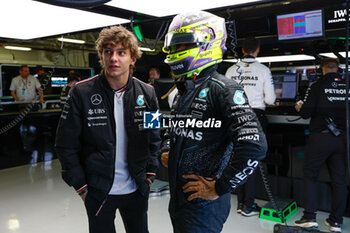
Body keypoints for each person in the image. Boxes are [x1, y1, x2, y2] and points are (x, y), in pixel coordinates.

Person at [160, 11, 267, 233]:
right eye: (174, 46)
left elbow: (254, 145)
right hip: (180, 198)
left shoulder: (224, 89)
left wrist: (220, 186)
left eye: (182, 45)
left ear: (207, 42)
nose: (175, 52)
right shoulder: (183, 89)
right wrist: (167, 149)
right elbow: (174, 130)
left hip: (204, 204)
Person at [55, 25, 161, 233]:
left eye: (121, 52)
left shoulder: (148, 93)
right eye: (108, 52)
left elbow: (154, 136)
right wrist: (81, 187)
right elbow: (65, 144)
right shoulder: (81, 93)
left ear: (132, 58)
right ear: (101, 57)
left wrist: (149, 174)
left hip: (136, 187)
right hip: (97, 190)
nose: (114, 58)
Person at [294, 58, 347, 232]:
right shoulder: (346, 85)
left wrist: (300, 107)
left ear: (322, 69)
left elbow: (306, 113)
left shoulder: (317, 86)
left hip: (320, 138)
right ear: (337, 68)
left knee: (310, 175)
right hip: (342, 138)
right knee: (339, 180)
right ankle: (336, 222)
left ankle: (309, 217)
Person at [225, 37, 276, 216]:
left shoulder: (231, 70)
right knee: (252, 160)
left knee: (237, 159)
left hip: (233, 117)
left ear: (243, 50)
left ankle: (240, 203)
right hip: (255, 116)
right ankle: (249, 205)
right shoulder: (263, 70)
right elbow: (270, 99)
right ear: (258, 50)